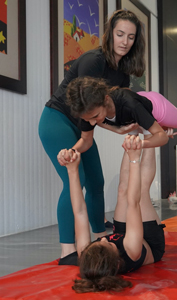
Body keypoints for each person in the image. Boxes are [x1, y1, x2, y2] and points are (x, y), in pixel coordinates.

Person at [38, 10, 144, 260]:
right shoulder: (93, 61)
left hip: (83, 125)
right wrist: (112, 129)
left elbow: (115, 110)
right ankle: (68, 251)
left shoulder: (122, 72)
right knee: (77, 179)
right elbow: (85, 107)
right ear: (109, 34)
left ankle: (100, 239)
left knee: (97, 182)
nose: (124, 42)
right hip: (58, 119)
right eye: (120, 34)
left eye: (130, 37)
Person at [61, 135, 165, 293]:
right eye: (107, 243)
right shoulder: (132, 250)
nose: (103, 237)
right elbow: (133, 203)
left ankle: (132, 136)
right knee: (142, 193)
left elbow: (80, 212)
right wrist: (134, 159)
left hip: (124, 235)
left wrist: (72, 170)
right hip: (148, 242)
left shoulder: (88, 255)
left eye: (98, 242)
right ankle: (151, 135)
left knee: (122, 190)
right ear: (117, 262)